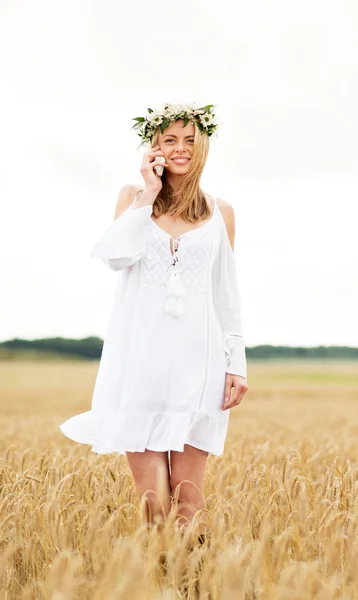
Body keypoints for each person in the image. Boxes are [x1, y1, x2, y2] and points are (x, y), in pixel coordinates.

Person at [59, 102, 248, 536]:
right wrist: (148, 191)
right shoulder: (132, 198)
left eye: (189, 140)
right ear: (154, 147)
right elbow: (115, 257)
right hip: (140, 365)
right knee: (153, 500)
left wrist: (236, 362)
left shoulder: (222, 212)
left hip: (199, 365)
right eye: (169, 140)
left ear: (203, 146)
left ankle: (191, 583)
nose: (180, 148)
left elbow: (227, 294)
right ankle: (156, 578)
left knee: (188, 495)